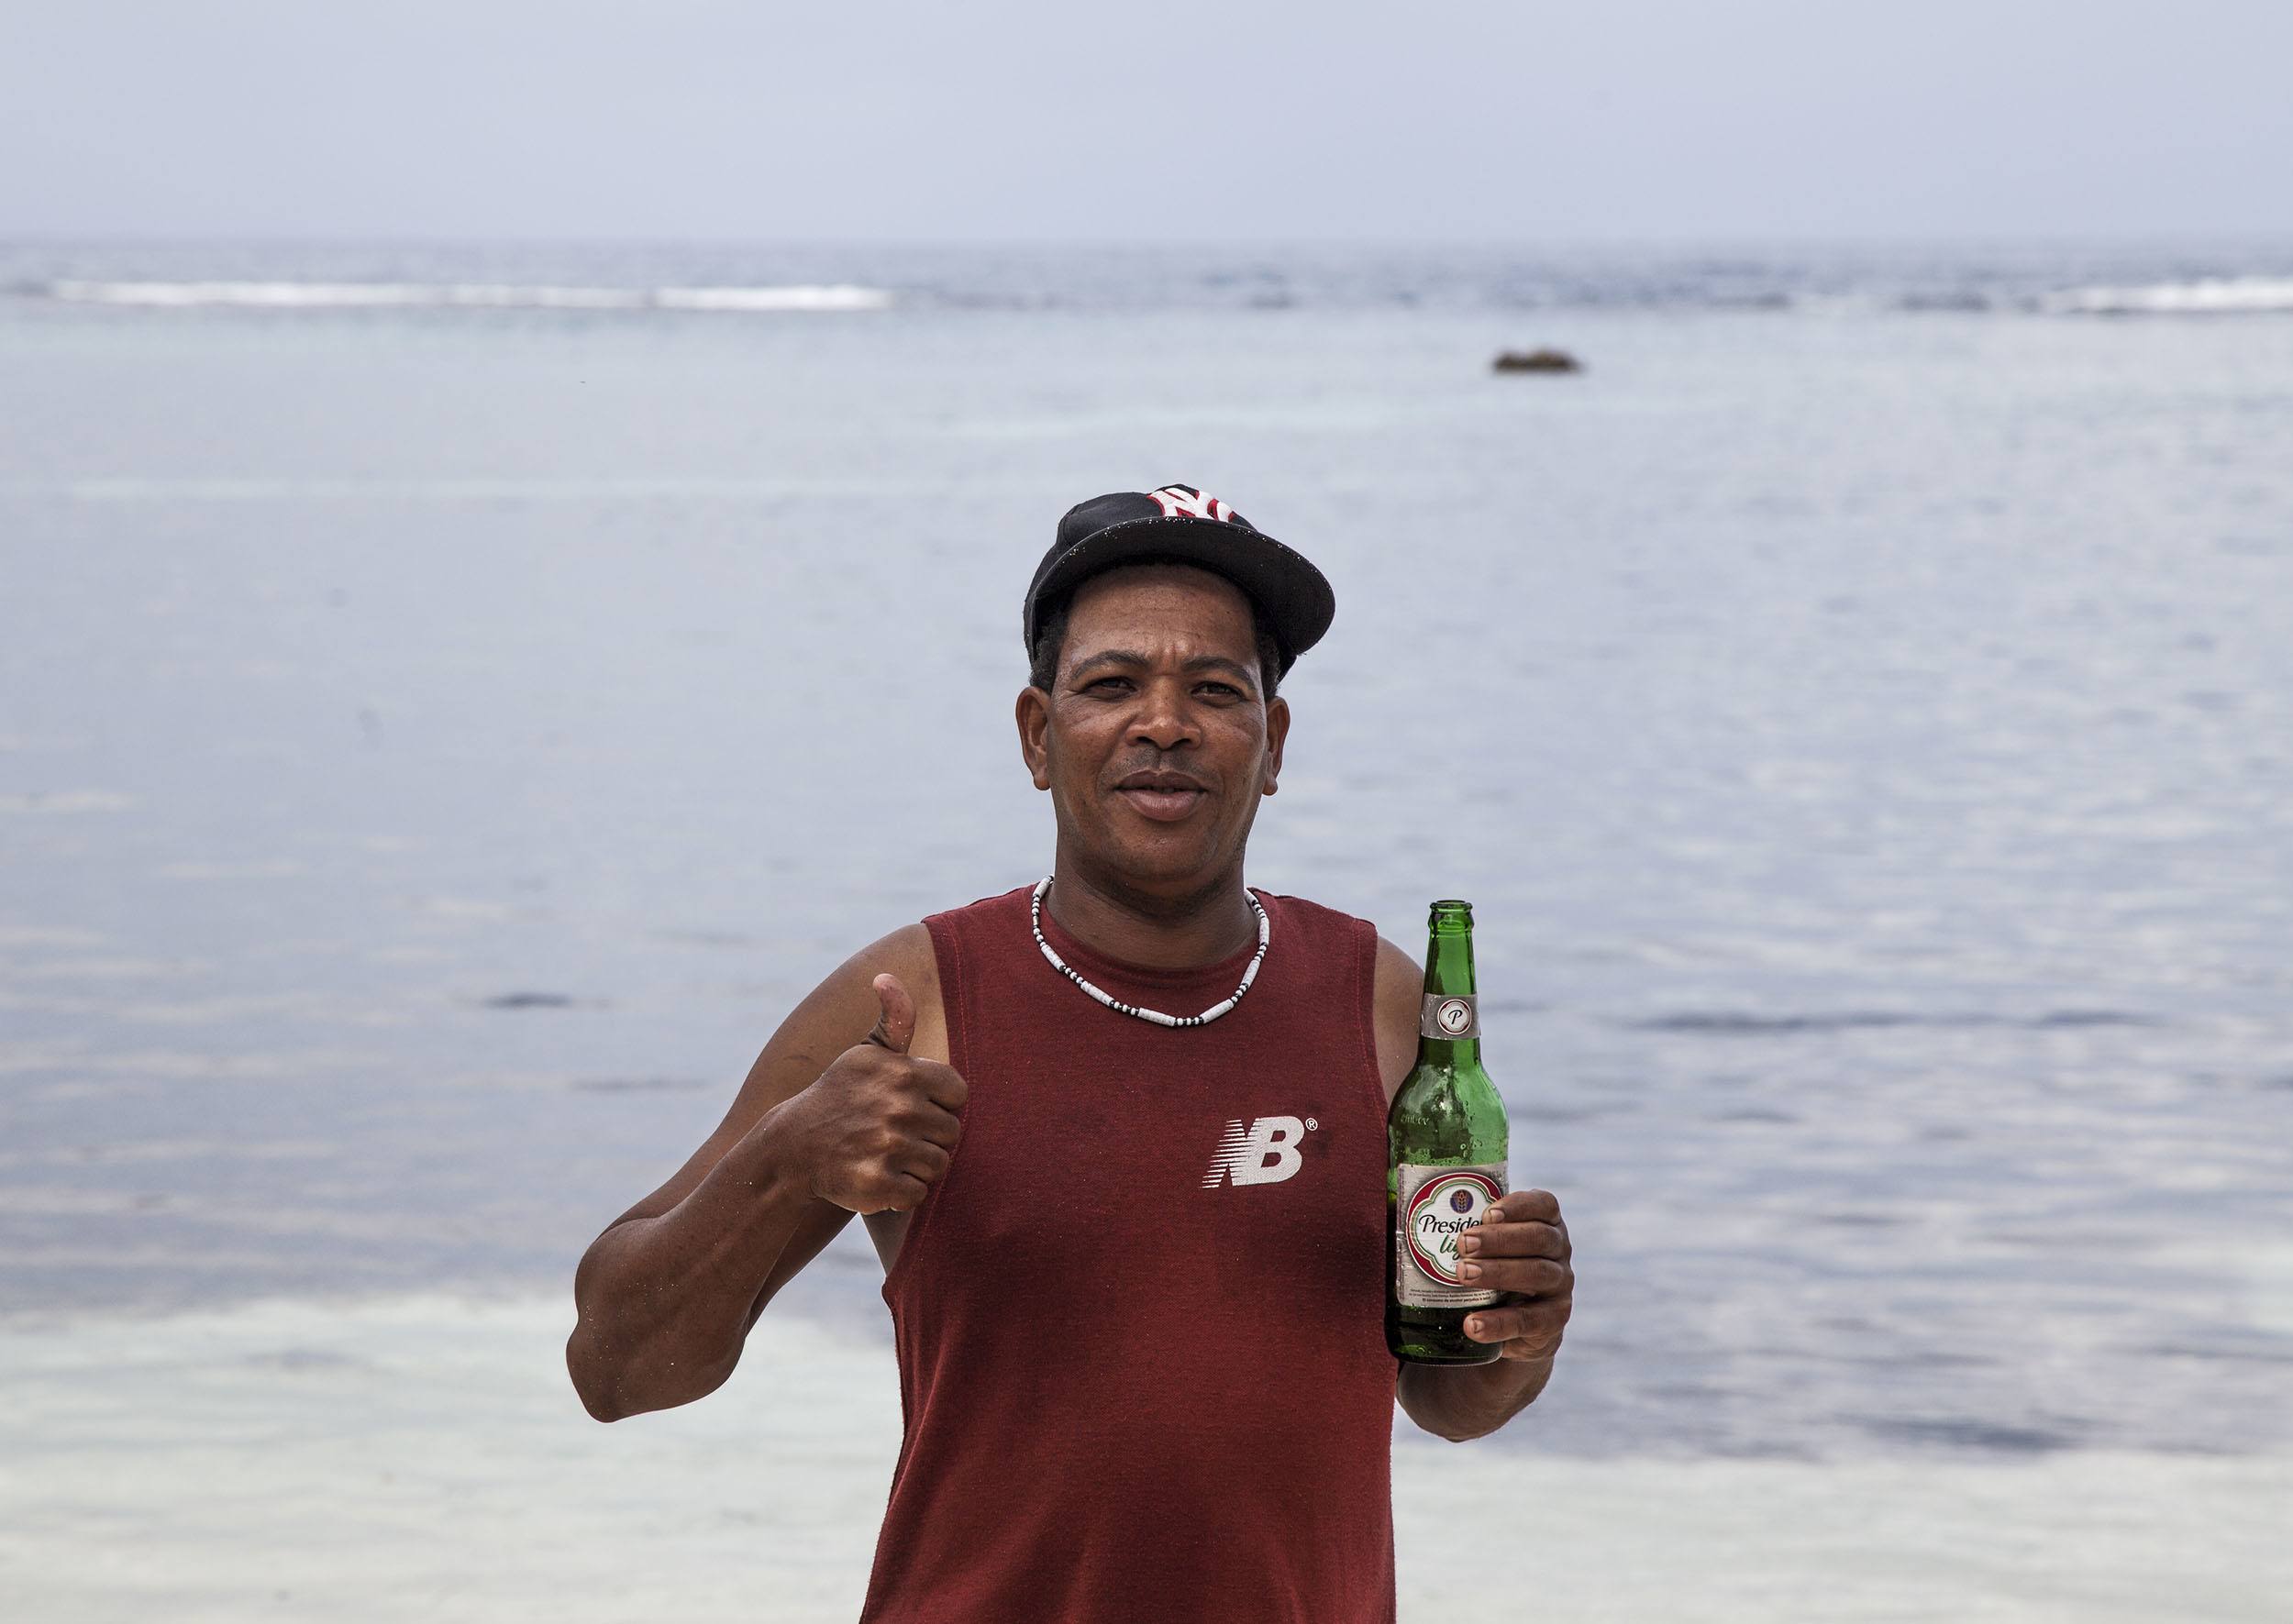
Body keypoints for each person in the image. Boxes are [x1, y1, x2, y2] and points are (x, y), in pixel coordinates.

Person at [565, 484, 1575, 1623]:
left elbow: (1449, 1398)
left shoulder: (1381, 1000)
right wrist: (789, 1159)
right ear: (1039, 737)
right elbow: (614, 1369)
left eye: (1214, 689)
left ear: (1273, 742)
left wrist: (1520, 1333)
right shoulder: (916, 999)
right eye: (1110, 684)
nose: (1164, 723)